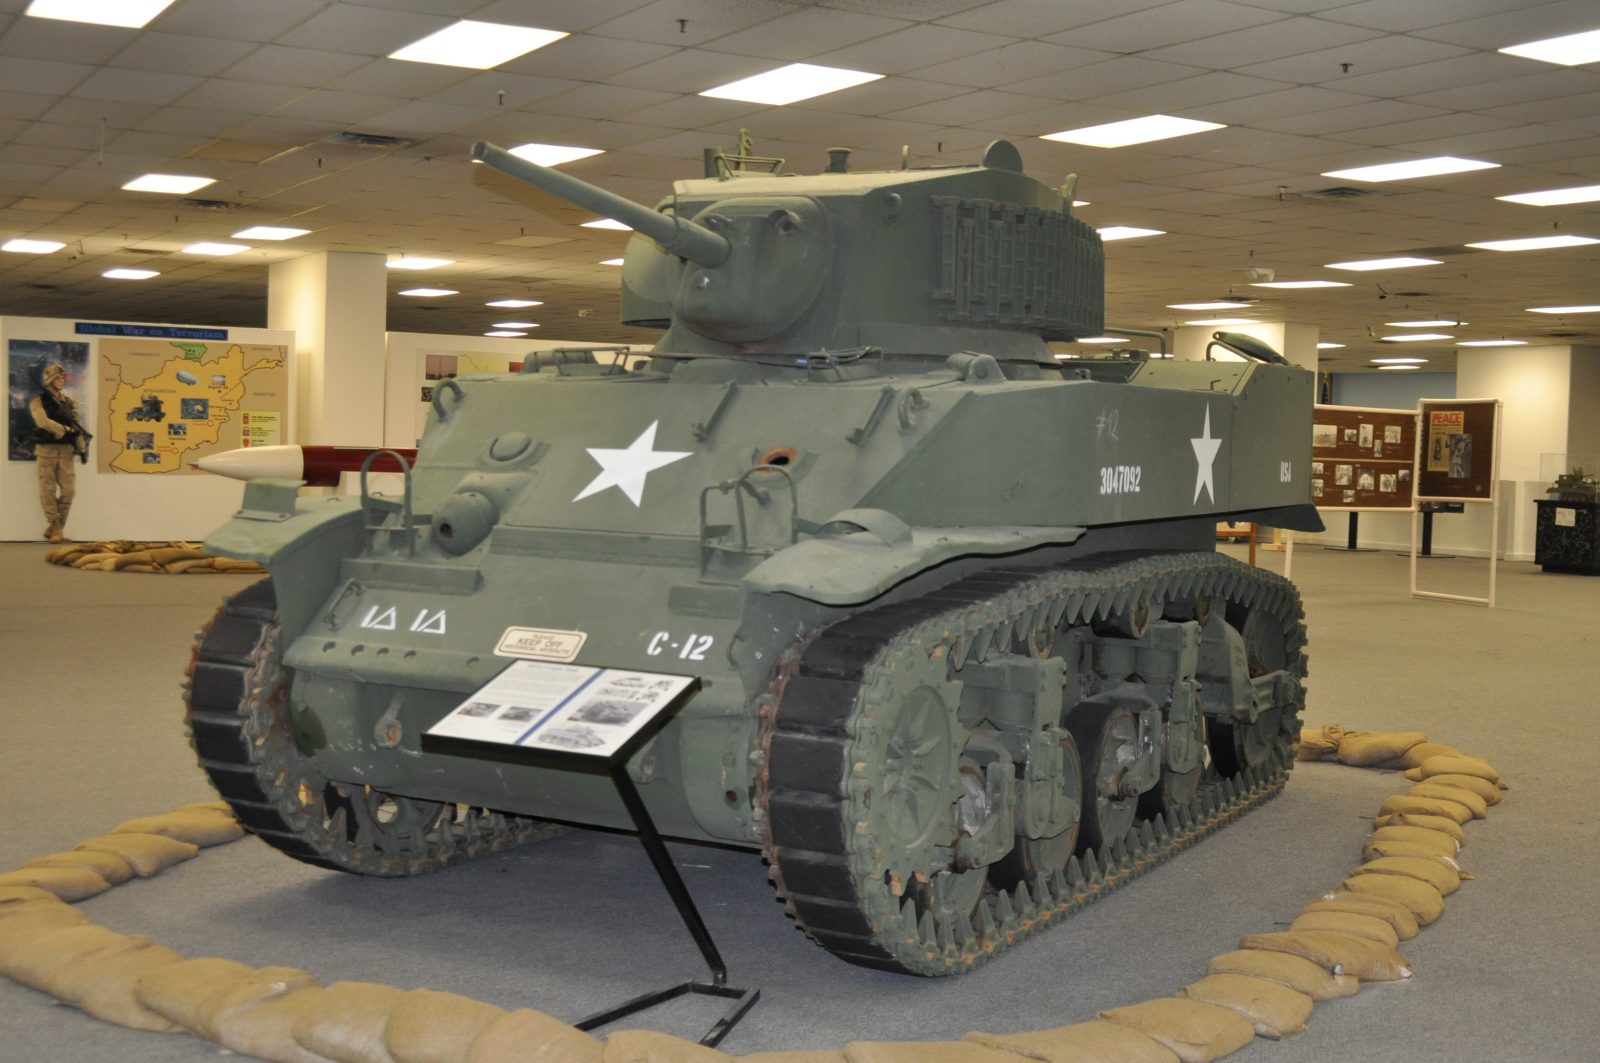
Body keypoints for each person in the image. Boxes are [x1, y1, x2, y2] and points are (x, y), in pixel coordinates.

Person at [29, 361, 90, 543]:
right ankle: (55, 526)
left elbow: (77, 427)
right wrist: (64, 430)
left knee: (69, 491)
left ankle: (57, 528)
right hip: (46, 450)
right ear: (50, 381)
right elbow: (42, 422)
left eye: (63, 377)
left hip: (66, 451)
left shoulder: (69, 403)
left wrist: (82, 448)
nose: (62, 380)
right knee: (47, 489)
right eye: (58, 378)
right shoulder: (38, 401)